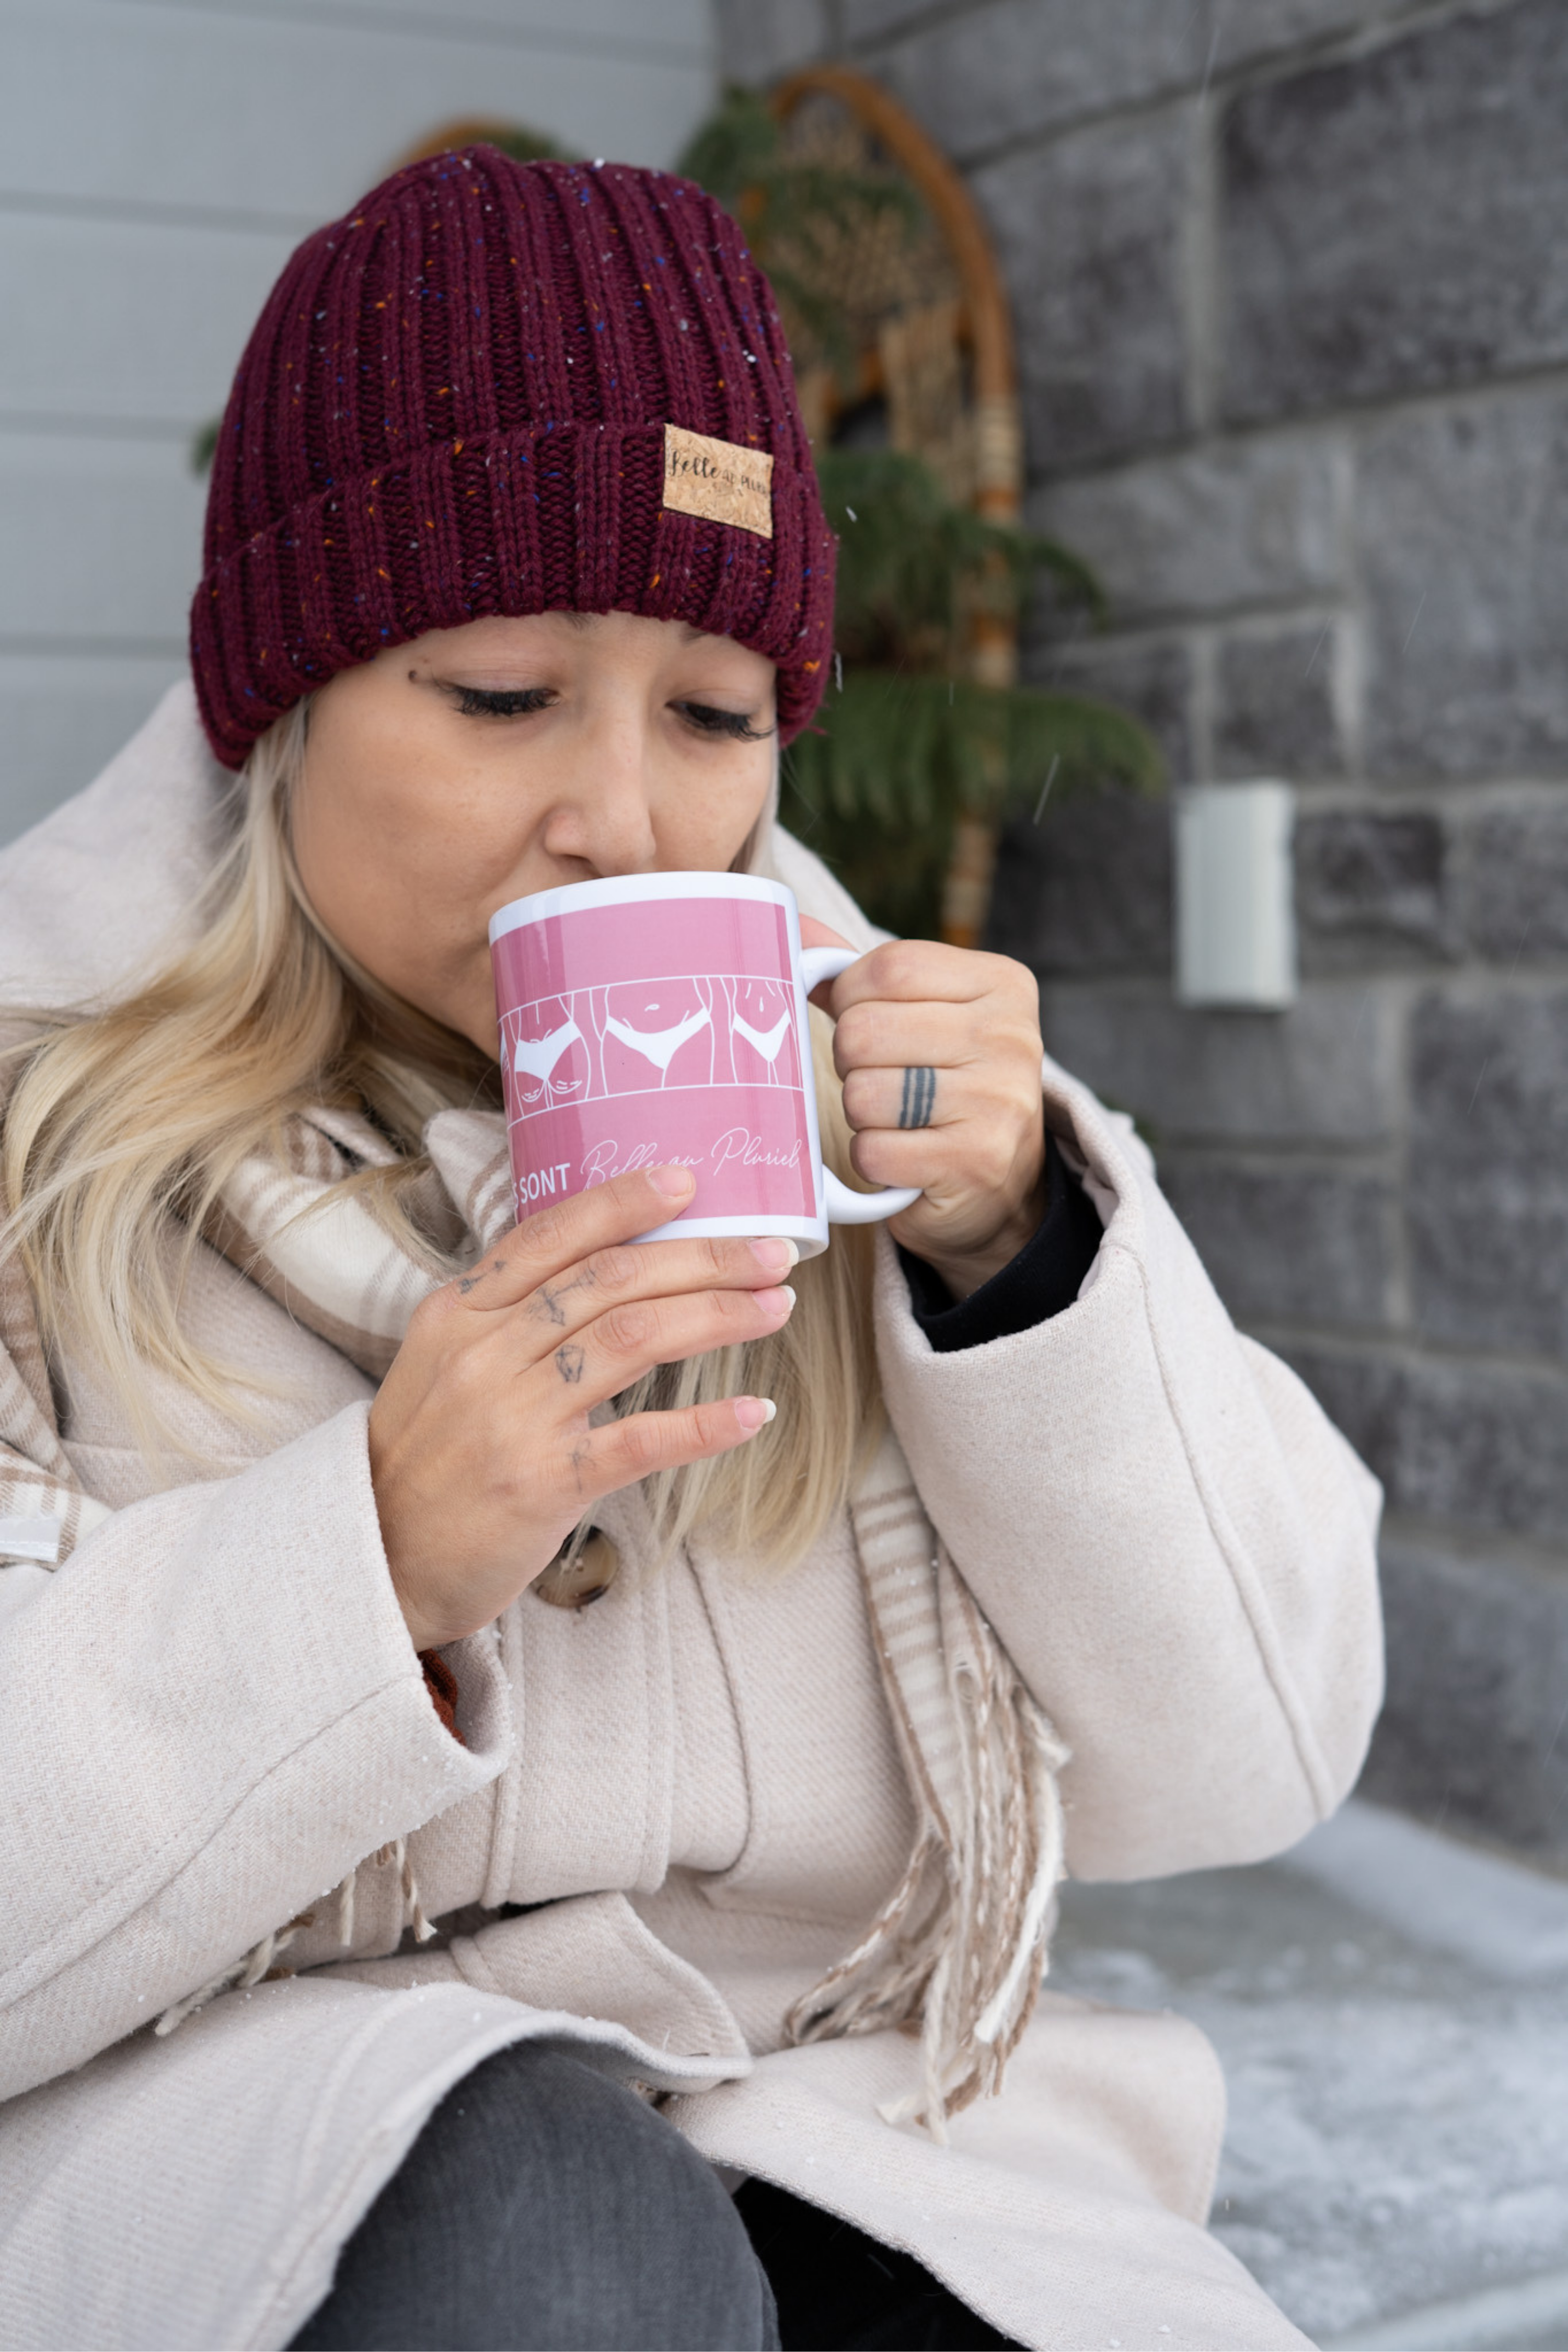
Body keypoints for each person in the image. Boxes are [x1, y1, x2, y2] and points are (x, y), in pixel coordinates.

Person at [0, 150, 1382, 2352]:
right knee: (555, 2247)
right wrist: (365, 1561)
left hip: (853, 2135)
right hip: (253, 2196)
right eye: (499, 693)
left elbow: (1254, 1759)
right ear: (286, 697)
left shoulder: (885, 1128)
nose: (626, 817)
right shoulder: (37, 1153)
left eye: (717, 715)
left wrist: (1021, 1263)